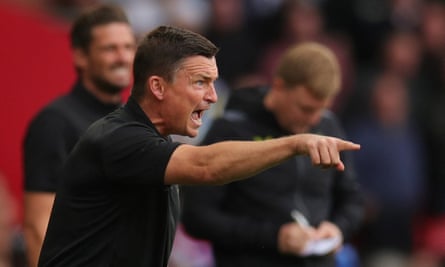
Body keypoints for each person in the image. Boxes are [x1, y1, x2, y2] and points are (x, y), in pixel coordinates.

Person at [37, 25, 360, 267]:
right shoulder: (119, 139)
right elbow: (206, 167)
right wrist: (296, 144)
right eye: (200, 83)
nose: (213, 96)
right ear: (158, 87)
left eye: (213, 83)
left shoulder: (148, 141)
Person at [181, 42, 364, 267]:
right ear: (279, 86)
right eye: (305, 108)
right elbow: (196, 216)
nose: (314, 120)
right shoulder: (232, 129)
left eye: (322, 109)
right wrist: (273, 237)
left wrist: (338, 228)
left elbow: (353, 200)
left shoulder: (328, 126)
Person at [22, 4, 136, 267]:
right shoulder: (54, 123)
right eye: (110, 48)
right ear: (80, 57)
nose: (123, 57)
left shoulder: (136, 122)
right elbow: (38, 227)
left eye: (128, 47)